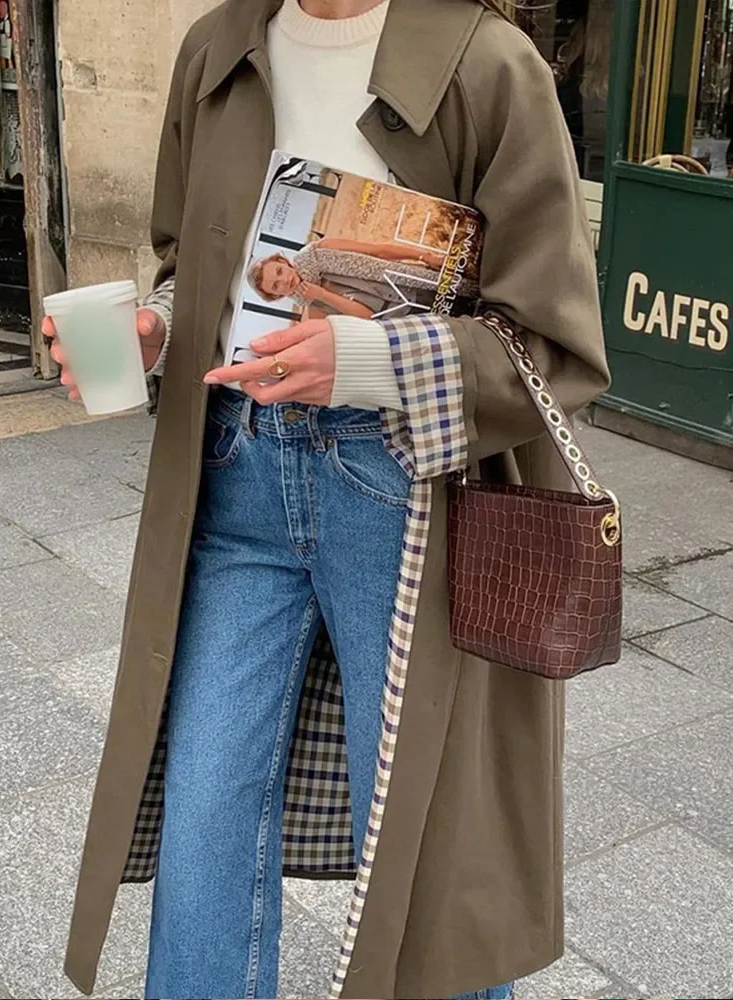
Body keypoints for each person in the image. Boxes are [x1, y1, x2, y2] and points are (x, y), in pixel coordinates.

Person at [52, 1, 610, 999]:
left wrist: (363, 357)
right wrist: (153, 329)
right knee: (205, 829)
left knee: (427, 843)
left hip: (406, 494)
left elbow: (554, 343)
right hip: (238, 476)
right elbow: (195, 269)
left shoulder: (491, 66)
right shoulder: (217, 50)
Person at [247, 237, 467, 320]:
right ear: (277, 296)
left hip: (412, 281)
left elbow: (377, 251)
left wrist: (424, 256)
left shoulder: (321, 251)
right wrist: (322, 295)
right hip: (410, 317)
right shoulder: (315, 312)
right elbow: (367, 316)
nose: (284, 280)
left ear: (284, 263)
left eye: (279, 272)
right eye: (276, 286)